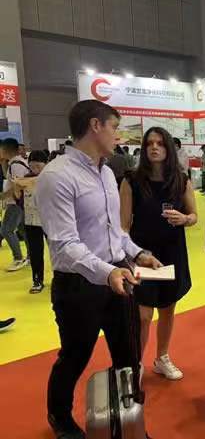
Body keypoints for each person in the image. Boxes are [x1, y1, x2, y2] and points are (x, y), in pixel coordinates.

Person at [35, 99, 161, 439]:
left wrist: (138, 253)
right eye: (115, 127)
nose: (118, 135)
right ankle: (60, 417)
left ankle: (129, 424)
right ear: (95, 126)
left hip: (118, 276)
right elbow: (65, 244)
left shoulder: (106, 172)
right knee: (75, 355)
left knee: (128, 356)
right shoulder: (56, 177)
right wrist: (107, 271)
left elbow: (114, 231)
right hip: (79, 284)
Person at [120, 127, 196, 381]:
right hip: (143, 253)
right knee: (143, 315)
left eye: (160, 143)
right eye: (150, 143)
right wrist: (129, 256)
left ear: (168, 148)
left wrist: (184, 218)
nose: (154, 147)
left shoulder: (181, 180)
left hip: (172, 251)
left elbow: (194, 216)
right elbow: (123, 225)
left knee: (167, 307)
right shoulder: (131, 181)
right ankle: (135, 363)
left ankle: (162, 357)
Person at [16, 150, 48, 293]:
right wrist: (17, 189)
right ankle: (37, 280)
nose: (35, 169)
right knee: (35, 252)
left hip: (50, 220)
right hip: (31, 221)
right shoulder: (25, 179)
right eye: (32, 166)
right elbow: (19, 199)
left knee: (57, 252)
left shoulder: (51, 177)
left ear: (46, 164)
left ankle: (61, 279)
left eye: (38, 166)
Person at [0, 137, 29, 271]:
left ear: (5, 149)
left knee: (6, 230)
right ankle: (30, 256)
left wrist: (3, 196)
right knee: (23, 230)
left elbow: (19, 186)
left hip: (16, 203)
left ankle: (18, 258)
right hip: (19, 203)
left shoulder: (16, 164)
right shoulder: (14, 163)